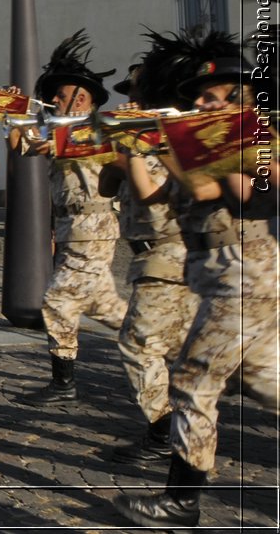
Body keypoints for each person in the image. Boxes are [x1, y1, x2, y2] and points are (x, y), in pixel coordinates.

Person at [115, 33, 278, 528]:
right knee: (263, 381)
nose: (199, 104)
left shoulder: (262, 135)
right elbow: (170, 192)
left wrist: (190, 142)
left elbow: (240, 196)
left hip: (246, 272)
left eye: (210, 97)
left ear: (239, 97)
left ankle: (181, 499)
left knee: (192, 380)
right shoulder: (211, 139)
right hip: (219, 274)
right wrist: (145, 145)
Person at [13, 31, 127, 405]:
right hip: (69, 228)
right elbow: (23, 146)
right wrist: (13, 113)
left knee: (57, 301)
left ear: (82, 98)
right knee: (105, 307)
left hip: (93, 228)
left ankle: (64, 382)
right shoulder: (56, 129)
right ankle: (166, 343)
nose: (54, 102)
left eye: (60, 96)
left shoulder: (101, 128)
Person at [105, 34, 197, 464]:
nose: (131, 101)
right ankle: (185, 433)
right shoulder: (136, 133)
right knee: (179, 350)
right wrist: (112, 153)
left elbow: (151, 193)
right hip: (148, 252)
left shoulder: (171, 133)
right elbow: (110, 186)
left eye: (137, 94)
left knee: (138, 342)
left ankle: (163, 431)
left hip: (169, 247)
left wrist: (128, 154)